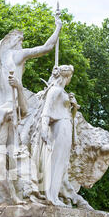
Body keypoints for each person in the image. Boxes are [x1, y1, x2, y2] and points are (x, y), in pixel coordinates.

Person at [0, 18, 62, 108]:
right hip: (13, 102)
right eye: (21, 41)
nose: (21, 44)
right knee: (41, 107)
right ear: (15, 42)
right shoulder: (16, 54)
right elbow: (47, 47)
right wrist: (58, 27)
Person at [36, 65, 75, 206]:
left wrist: (74, 107)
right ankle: (51, 196)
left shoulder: (63, 92)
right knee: (55, 162)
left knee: (62, 164)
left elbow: (70, 115)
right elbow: (46, 111)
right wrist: (44, 129)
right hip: (58, 127)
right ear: (66, 76)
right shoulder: (55, 90)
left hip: (65, 126)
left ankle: (55, 195)